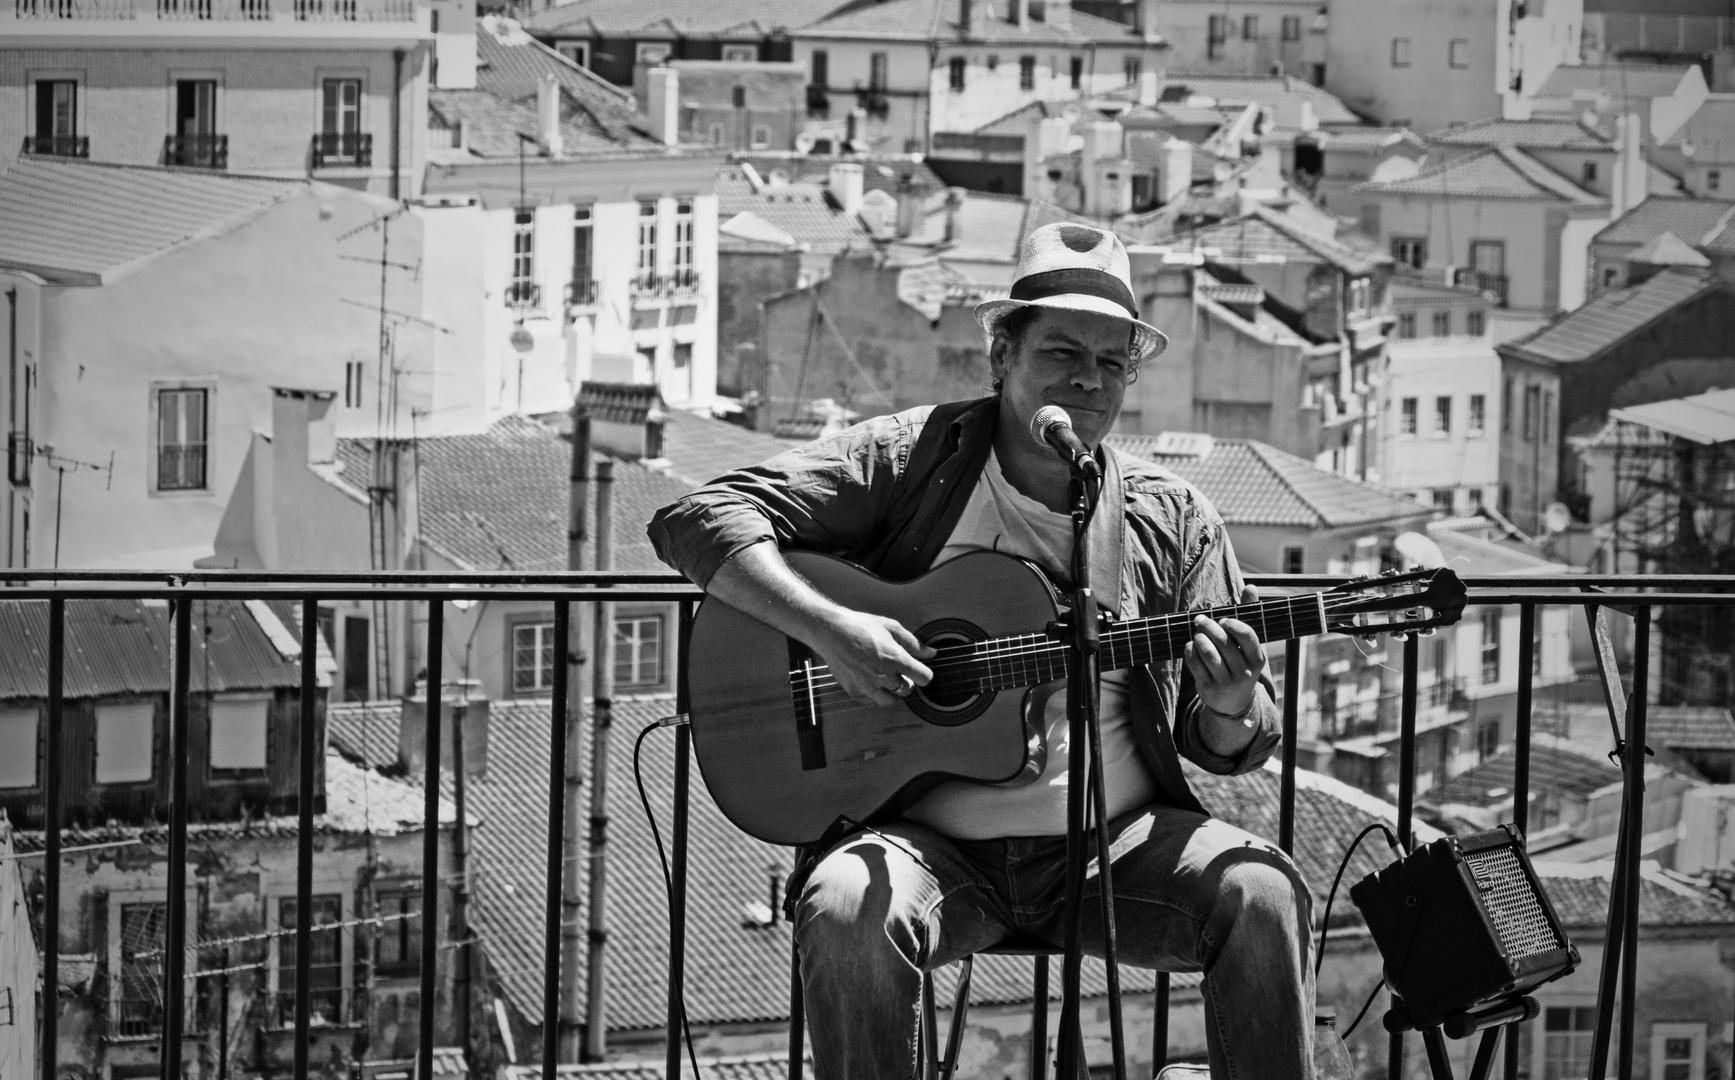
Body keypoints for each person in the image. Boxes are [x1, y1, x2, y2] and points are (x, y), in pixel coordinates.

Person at [649, 223, 1313, 1080]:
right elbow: (695, 520)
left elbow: (1229, 742)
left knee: (1259, 893)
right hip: (926, 844)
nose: (1087, 379)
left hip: (1113, 849)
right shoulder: (908, 459)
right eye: (1063, 351)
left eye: (1112, 364)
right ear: (1001, 354)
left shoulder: (1169, 516)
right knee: (848, 909)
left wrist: (1228, 706)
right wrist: (831, 631)